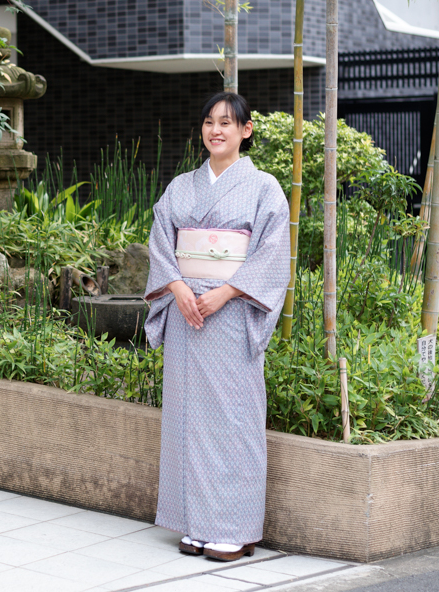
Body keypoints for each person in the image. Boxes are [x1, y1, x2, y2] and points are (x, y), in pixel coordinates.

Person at [143, 92, 291, 562]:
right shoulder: (180, 187)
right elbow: (160, 240)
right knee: (186, 418)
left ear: (246, 131)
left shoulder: (264, 187)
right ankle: (194, 523)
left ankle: (234, 527)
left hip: (231, 314)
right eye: (209, 122)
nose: (216, 130)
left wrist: (225, 292)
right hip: (186, 313)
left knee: (233, 420)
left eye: (226, 122)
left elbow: (272, 254)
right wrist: (176, 287)